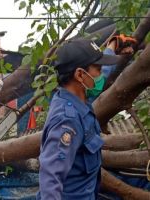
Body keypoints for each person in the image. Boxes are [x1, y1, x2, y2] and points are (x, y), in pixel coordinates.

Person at [36, 38, 122, 200]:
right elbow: (50, 178)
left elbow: (103, 75)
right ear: (80, 74)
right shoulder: (67, 121)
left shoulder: (78, 96)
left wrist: (113, 45)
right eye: (97, 67)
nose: (101, 72)